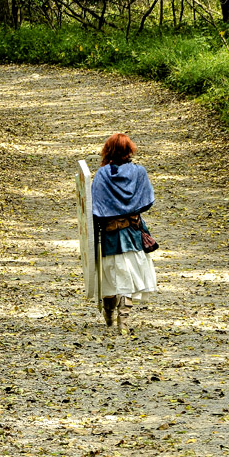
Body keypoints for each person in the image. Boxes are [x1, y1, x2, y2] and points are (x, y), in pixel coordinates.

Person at [92, 133, 157, 333]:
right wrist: (129, 207)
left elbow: (95, 209)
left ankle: (111, 314)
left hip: (111, 234)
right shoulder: (139, 172)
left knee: (111, 276)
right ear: (129, 150)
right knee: (128, 276)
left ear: (108, 151)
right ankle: (123, 320)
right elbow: (147, 201)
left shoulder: (102, 174)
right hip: (132, 231)